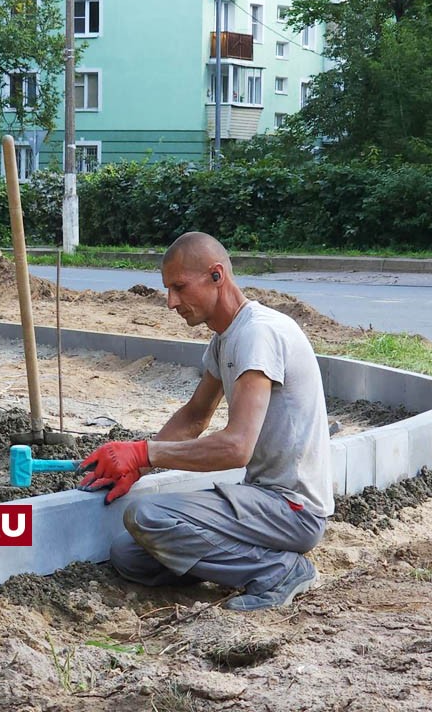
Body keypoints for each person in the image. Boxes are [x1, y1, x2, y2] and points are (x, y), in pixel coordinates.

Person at [77, 231, 333, 611]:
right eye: (168, 289)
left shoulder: (258, 333)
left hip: (291, 509)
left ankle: (278, 570)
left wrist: (142, 452)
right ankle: (243, 561)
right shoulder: (225, 339)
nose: (170, 302)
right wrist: (138, 466)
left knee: (147, 516)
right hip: (261, 502)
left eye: (179, 287)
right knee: (129, 555)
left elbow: (237, 447)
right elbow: (194, 417)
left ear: (217, 275)